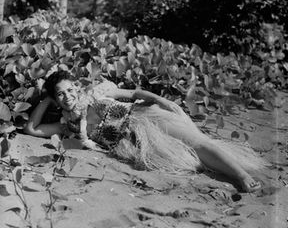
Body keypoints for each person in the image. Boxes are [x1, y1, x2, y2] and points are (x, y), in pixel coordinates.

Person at [24, 70, 267, 193]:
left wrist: (163, 101)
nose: (67, 97)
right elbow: (32, 129)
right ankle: (227, 169)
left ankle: (241, 176)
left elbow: (134, 94)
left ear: (77, 87)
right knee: (194, 159)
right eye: (60, 94)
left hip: (145, 118)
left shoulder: (100, 92)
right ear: (56, 100)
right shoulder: (70, 124)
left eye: (69, 90)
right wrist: (46, 98)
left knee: (197, 143)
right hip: (132, 144)